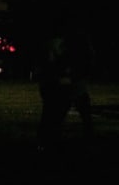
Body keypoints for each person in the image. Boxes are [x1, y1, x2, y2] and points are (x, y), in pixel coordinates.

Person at [36, 10, 95, 153]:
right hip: (66, 84)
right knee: (59, 113)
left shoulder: (57, 43)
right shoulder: (69, 43)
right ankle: (49, 141)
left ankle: (47, 141)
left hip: (63, 84)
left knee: (53, 114)